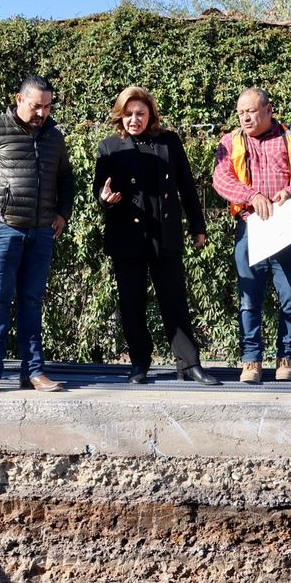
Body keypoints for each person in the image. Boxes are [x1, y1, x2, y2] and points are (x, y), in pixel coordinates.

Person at [0, 74, 76, 394]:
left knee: (32, 302)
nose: (42, 113)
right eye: (36, 106)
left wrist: (63, 212)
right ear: (19, 100)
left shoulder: (54, 137)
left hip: (41, 233)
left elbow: (66, 178)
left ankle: (33, 373)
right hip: (2, 230)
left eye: (47, 107)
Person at [94, 86, 220, 386]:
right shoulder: (109, 147)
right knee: (131, 303)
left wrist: (198, 226)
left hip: (165, 234)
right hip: (127, 235)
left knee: (174, 300)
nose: (134, 119)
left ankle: (189, 364)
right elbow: (99, 189)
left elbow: (187, 187)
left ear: (150, 114)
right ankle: (140, 361)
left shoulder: (168, 142)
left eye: (140, 113)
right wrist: (104, 198)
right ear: (120, 115)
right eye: (128, 114)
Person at [211, 87, 291, 384]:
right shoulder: (231, 141)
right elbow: (221, 179)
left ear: (269, 109)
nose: (245, 117)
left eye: (250, 111)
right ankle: (251, 361)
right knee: (249, 298)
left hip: (288, 231)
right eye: (240, 113)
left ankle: (286, 357)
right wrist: (251, 195)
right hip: (251, 229)